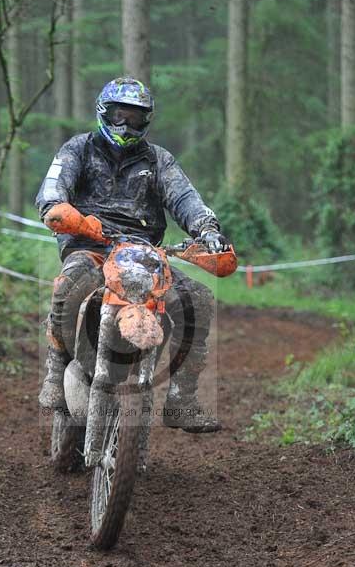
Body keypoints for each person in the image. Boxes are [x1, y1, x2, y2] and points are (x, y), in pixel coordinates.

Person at [36, 77, 230, 433]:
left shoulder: (158, 161)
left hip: (142, 254)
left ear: (147, 121)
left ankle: (181, 398)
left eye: (136, 118)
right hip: (90, 246)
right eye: (119, 115)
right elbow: (52, 191)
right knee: (66, 286)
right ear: (103, 113)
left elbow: (184, 198)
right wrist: (60, 210)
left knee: (198, 301)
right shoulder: (78, 149)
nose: (126, 124)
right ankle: (55, 368)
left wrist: (207, 229)